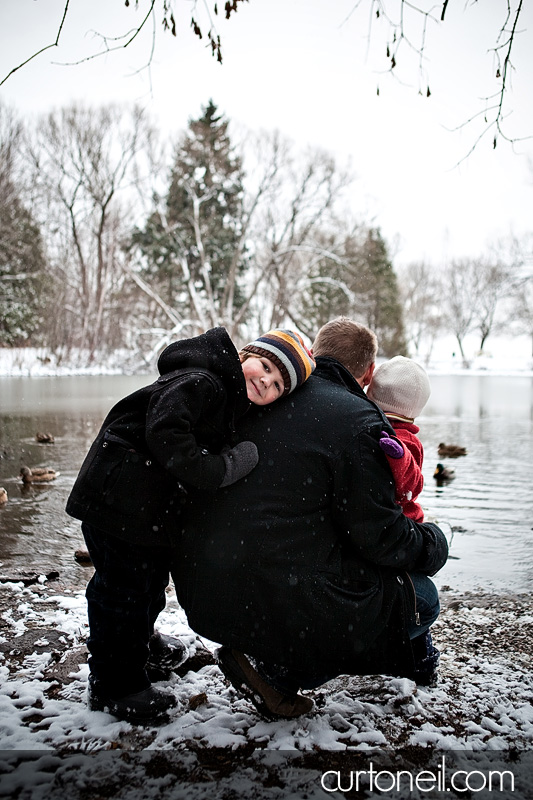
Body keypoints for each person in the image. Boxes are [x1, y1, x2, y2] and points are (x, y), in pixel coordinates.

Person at [171, 317, 448, 719]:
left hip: (204, 590)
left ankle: (272, 647)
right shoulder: (358, 421)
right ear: (368, 374)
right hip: (274, 591)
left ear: (313, 355)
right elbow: (382, 538)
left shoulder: (256, 397)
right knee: (421, 596)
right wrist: (434, 542)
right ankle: (279, 675)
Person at [65, 326, 315, 723]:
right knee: (121, 592)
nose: (265, 380)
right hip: (116, 498)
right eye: (264, 366)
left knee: (147, 583)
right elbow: (165, 431)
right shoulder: (203, 380)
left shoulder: (227, 399)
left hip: (141, 510)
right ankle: (116, 684)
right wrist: (219, 469)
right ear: (245, 355)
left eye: (277, 385)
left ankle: (142, 646)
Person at [367, 355, 431, 523]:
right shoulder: (371, 425)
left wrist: (401, 459)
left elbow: (411, 489)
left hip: (403, 520)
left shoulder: (407, 441)